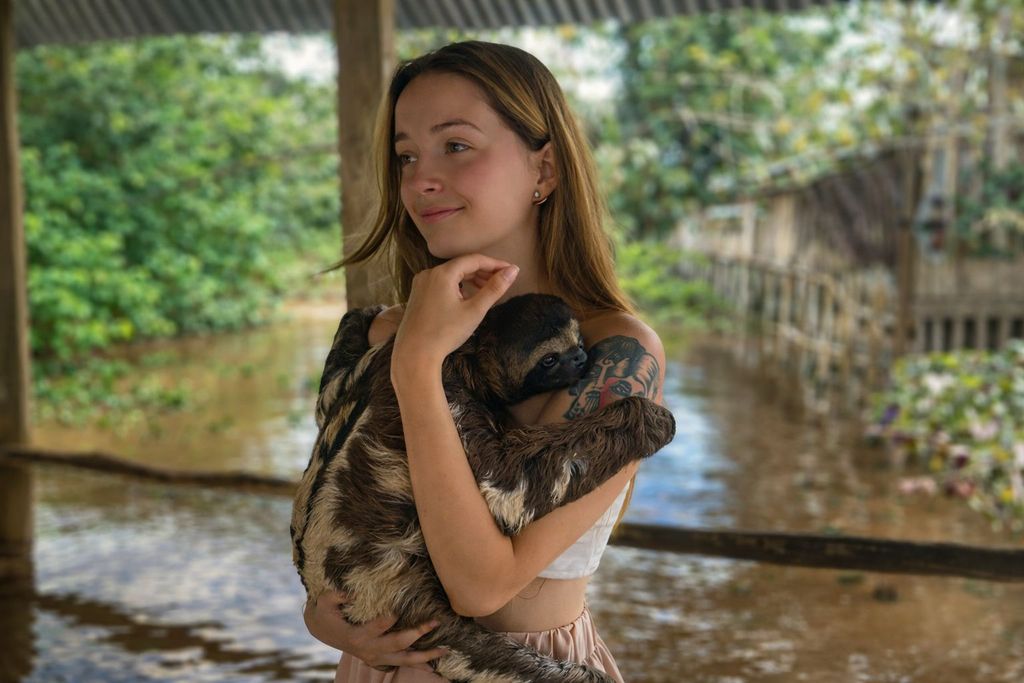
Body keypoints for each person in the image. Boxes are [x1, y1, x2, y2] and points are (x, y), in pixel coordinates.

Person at [303, 40, 667, 682]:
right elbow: (329, 519)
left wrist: (418, 367)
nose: (421, 180)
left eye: (456, 145)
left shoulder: (614, 352)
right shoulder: (379, 331)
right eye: (407, 156)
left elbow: (481, 585)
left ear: (544, 169)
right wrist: (321, 615)